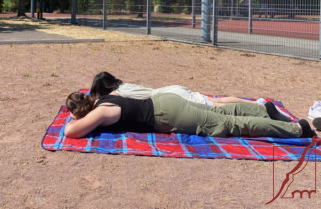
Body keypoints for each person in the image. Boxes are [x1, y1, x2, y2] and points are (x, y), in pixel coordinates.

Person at [64, 91, 318, 140]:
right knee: (220, 110)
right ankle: (264, 110)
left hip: (167, 115)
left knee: (229, 124)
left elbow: (71, 132)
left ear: (78, 112)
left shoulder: (100, 113)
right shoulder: (105, 99)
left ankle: (298, 130)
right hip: (165, 101)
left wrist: (76, 120)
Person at [90, 71, 268, 108]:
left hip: (169, 96)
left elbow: (99, 102)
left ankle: (255, 107)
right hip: (170, 90)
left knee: (213, 106)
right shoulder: (124, 85)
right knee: (215, 100)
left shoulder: (116, 94)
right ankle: (254, 103)